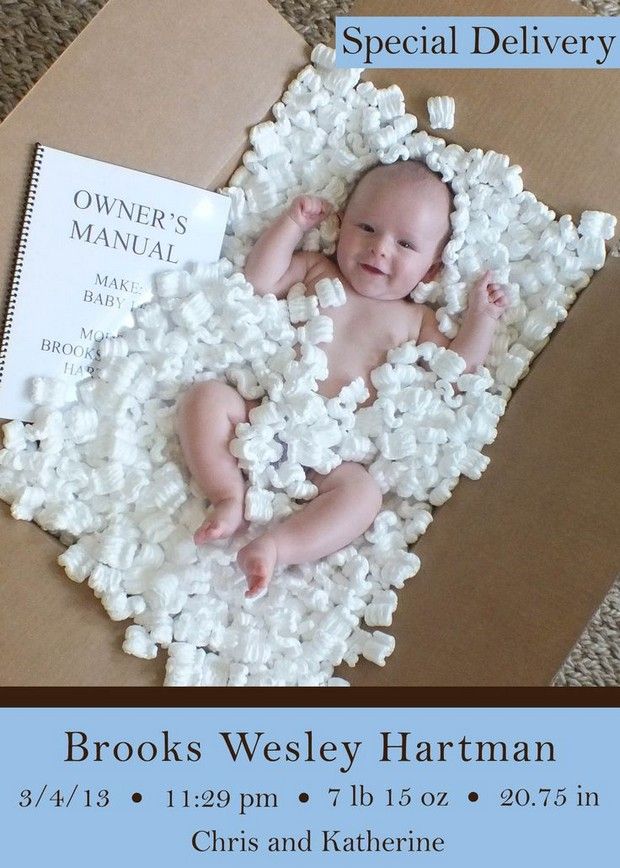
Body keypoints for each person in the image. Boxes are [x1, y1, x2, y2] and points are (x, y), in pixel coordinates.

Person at [177, 159, 508, 598]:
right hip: (263, 412)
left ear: (430, 271)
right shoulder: (317, 269)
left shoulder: (415, 320)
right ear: (340, 225)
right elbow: (259, 279)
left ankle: (277, 546)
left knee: (363, 496)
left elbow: (458, 371)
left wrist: (482, 319)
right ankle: (228, 496)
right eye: (367, 228)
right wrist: (291, 225)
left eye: (406, 244)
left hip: (333, 454)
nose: (380, 248)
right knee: (205, 400)